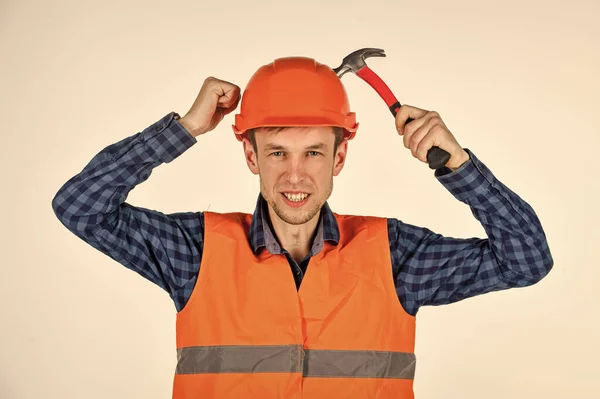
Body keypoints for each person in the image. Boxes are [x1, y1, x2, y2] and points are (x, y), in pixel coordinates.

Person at [51, 56, 553, 398]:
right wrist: (184, 129)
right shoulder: (196, 250)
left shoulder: (394, 254)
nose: (295, 175)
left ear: (340, 157)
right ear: (251, 156)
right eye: (277, 152)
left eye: (313, 152)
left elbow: (527, 260)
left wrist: (457, 165)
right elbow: (81, 206)